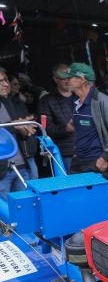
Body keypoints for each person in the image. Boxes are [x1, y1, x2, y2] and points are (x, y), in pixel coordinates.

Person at [58, 62, 108, 217]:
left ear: (82, 80)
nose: (66, 81)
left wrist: (105, 157)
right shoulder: (76, 103)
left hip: (98, 163)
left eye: (70, 77)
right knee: (81, 208)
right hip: (79, 162)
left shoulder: (104, 102)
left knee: (106, 210)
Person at [0, 68, 35, 197]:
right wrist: (16, 126)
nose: (6, 84)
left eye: (5, 80)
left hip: (20, 166)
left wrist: (25, 130)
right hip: (2, 172)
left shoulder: (8, 102)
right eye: (0, 81)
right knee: (4, 216)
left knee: (26, 210)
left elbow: (18, 131)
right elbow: (11, 127)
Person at [39, 63, 76, 172]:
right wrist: (66, 129)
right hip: (65, 153)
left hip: (87, 150)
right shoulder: (46, 101)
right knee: (71, 186)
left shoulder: (80, 96)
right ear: (55, 79)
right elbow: (45, 128)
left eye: (69, 77)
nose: (67, 81)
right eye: (63, 78)